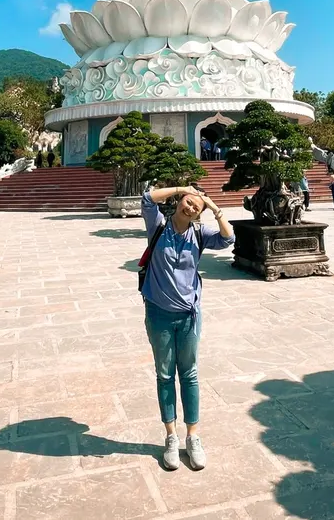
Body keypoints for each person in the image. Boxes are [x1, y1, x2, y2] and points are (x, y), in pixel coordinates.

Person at [141, 183, 235, 471]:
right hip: (159, 314)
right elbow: (147, 198)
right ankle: (171, 436)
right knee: (164, 374)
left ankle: (193, 436)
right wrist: (182, 187)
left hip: (189, 315)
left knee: (190, 373)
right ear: (180, 201)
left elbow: (228, 238)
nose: (190, 207)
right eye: (187, 201)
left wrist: (213, 206)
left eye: (196, 206)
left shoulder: (200, 234)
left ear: (198, 214)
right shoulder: (158, 225)